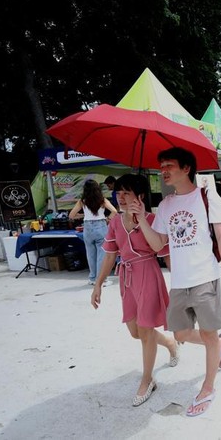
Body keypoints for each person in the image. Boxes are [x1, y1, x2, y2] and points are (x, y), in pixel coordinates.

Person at [138, 147, 221, 418]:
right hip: (179, 281)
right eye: (161, 167)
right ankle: (218, 344)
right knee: (181, 335)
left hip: (205, 277)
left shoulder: (207, 197)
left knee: (207, 333)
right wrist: (139, 218)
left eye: (169, 165)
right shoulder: (167, 204)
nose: (164, 171)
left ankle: (207, 387)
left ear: (186, 168)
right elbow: (159, 243)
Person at [90, 174, 178, 407]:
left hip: (148, 274)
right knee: (135, 331)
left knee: (146, 331)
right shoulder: (115, 222)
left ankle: (147, 380)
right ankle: (169, 344)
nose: (120, 198)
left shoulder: (152, 218)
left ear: (139, 196)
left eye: (126, 193)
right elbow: (110, 254)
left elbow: (160, 248)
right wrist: (98, 283)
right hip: (126, 278)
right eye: (118, 194)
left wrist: (141, 219)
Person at [69, 179, 118, 285]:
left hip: (87, 227)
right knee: (102, 254)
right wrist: (107, 219)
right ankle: (101, 280)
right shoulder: (102, 200)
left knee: (90, 254)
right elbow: (114, 211)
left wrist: (82, 216)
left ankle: (92, 278)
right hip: (100, 226)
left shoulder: (82, 201)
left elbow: (71, 215)